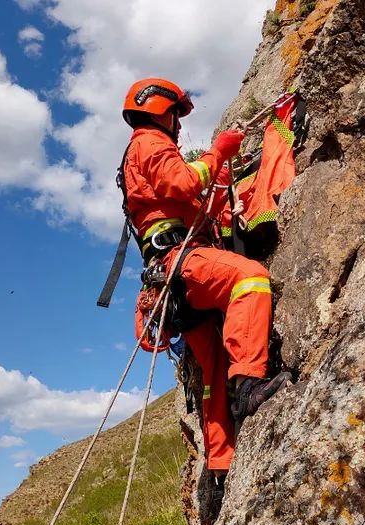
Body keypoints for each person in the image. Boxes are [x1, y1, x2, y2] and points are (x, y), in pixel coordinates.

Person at [120, 77, 289, 475]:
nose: (179, 125)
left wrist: (221, 177)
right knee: (249, 278)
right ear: (161, 109)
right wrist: (218, 152)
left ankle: (220, 462)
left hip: (170, 277)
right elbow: (182, 182)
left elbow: (185, 199)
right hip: (181, 263)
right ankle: (248, 384)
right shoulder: (150, 141)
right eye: (176, 114)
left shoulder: (138, 153)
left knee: (211, 369)